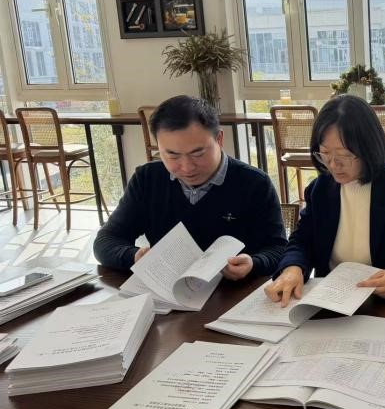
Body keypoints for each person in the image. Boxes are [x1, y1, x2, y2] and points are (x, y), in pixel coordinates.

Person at [266, 95, 385, 306]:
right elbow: (302, 241)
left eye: (344, 155)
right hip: (332, 303)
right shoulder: (320, 190)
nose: (334, 165)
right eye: (325, 153)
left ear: (369, 148)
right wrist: (292, 267)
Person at [94, 95, 286, 279]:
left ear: (219, 139)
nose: (186, 167)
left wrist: (254, 263)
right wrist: (135, 257)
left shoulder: (254, 183)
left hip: (234, 292)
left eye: (198, 153)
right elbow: (106, 241)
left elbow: (278, 249)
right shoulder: (147, 179)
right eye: (172, 155)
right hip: (169, 294)